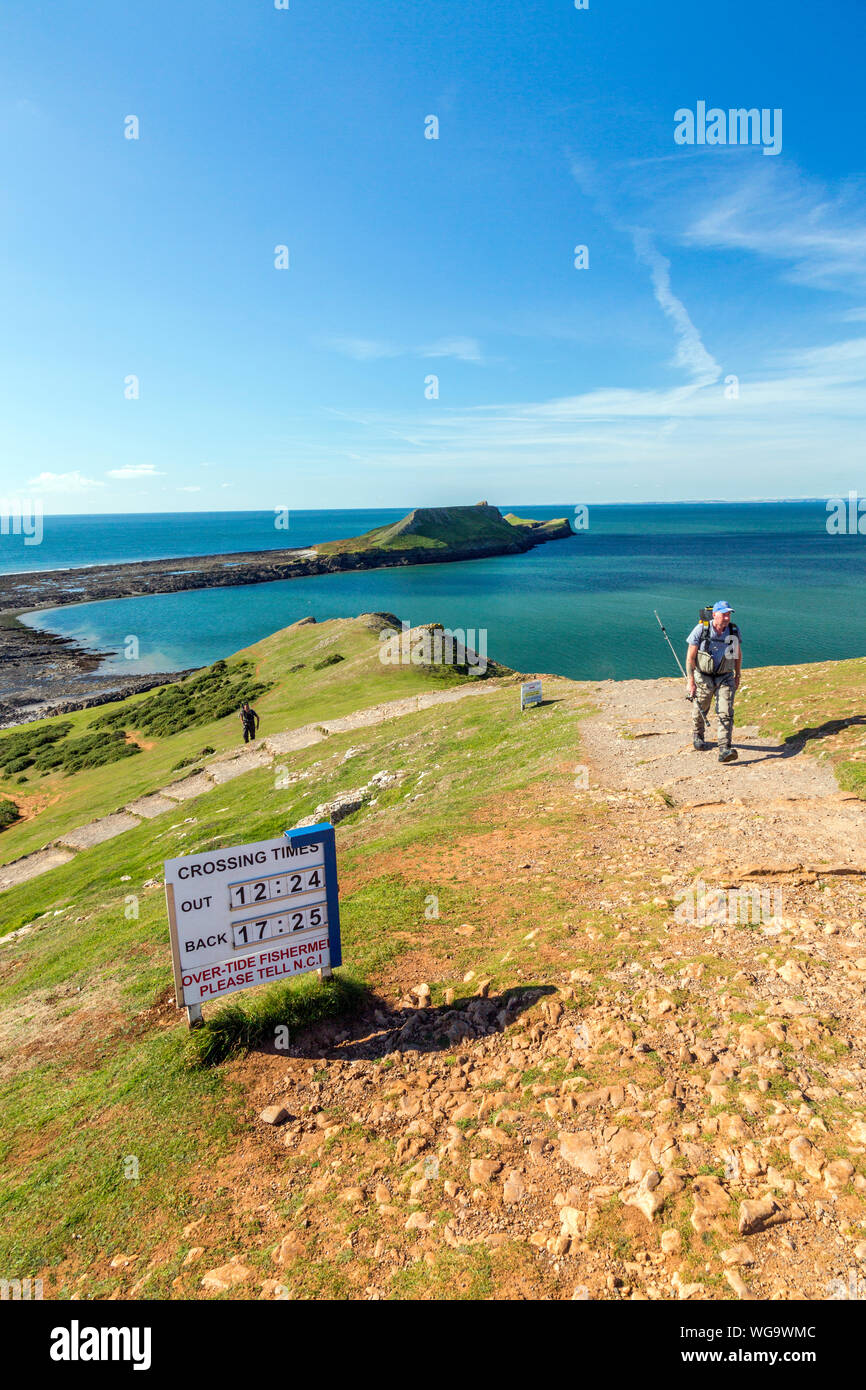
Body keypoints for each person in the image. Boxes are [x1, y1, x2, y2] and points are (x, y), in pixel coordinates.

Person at [685, 601, 742, 763]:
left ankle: (724, 748)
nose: (727, 617)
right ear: (715, 614)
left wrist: (738, 675)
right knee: (701, 707)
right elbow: (690, 657)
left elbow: (737, 654)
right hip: (703, 676)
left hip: (725, 676)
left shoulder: (733, 630)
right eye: (724, 614)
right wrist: (691, 681)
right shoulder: (701, 629)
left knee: (726, 711)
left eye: (729, 614)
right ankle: (698, 734)